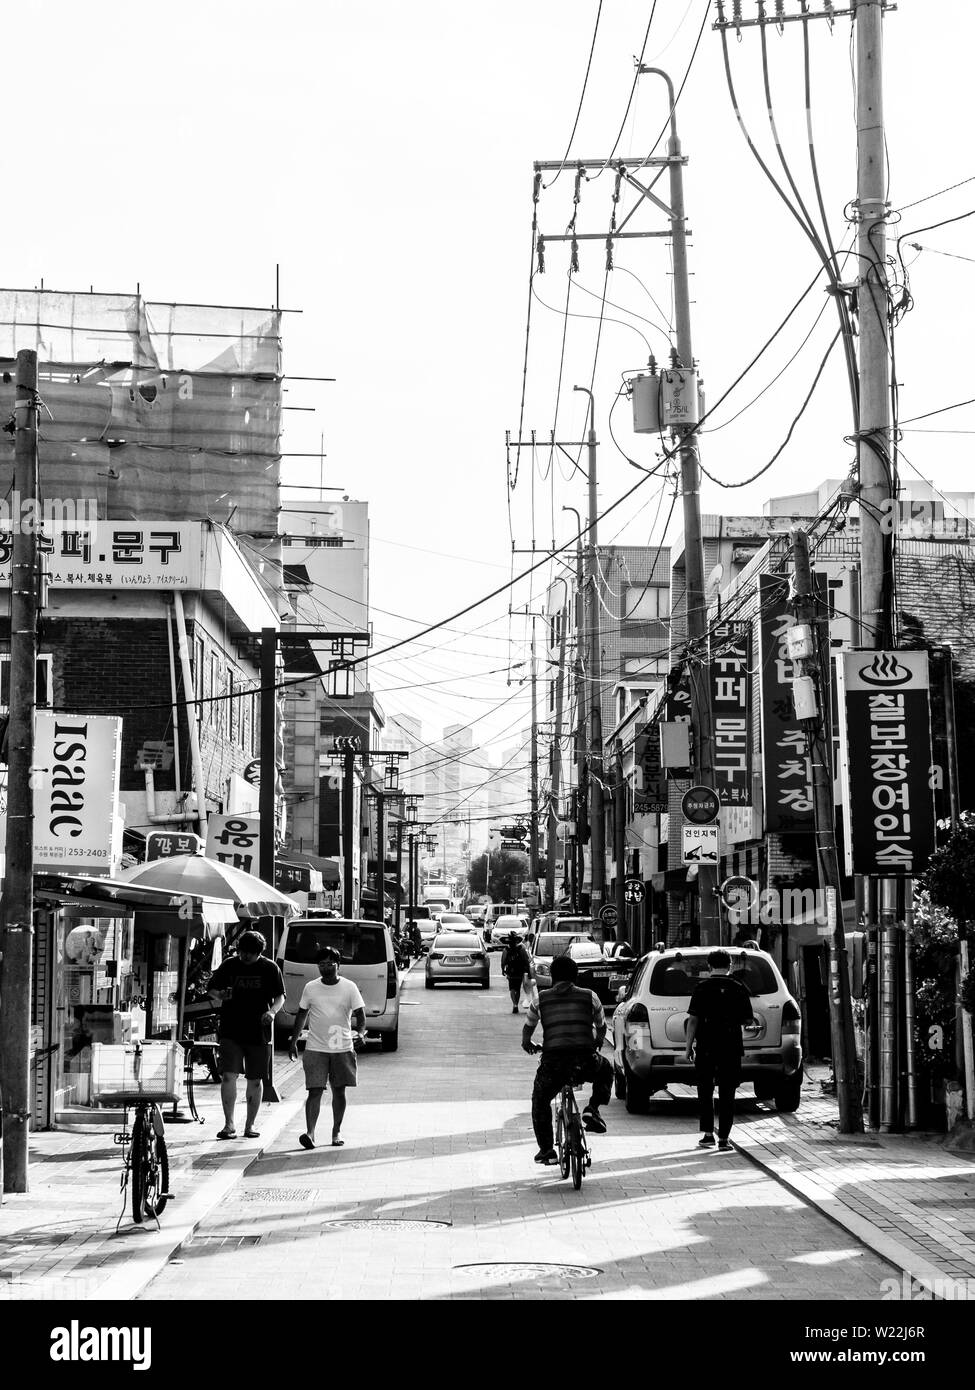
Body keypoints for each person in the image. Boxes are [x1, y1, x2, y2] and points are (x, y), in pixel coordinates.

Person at [522, 953, 613, 1165]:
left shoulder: (539, 1000)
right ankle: (593, 1109)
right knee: (607, 1069)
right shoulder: (590, 996)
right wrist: (597, 1042)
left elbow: (528, 1026)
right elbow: (601, 1026)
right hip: (585, 1059)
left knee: (540, 1100)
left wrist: (527, 1043)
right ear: (576, 976)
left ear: (553, 977)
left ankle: (547, 1150)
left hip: (553, 1063)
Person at [207, 929, 286, 1140]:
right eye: (242, 952)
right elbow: (211, 989)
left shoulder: (270, 968)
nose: (245, 957)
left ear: (259, 952)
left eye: (250, 953)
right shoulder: (230, 965)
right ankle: (229, 1124)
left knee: (255, 1079)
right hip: (231, 1028)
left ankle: (250, 1125)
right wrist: (220, 994)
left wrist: (272, 1012)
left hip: (258, 1031)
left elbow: (280, 997)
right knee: (228, 1076)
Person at [288, 946, 366, 1149]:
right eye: (321, 964)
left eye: (329, 964)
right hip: (315, 1047)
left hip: (342, 1047)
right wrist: (294, 1040)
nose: (325, 968)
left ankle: (336, 1131)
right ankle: (310, 1133)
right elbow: (302, 1014)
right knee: (314, 1090)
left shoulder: (349, 987)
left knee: (339, 1091)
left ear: (338, 965)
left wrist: (362, 1033)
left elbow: (360, 1014)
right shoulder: (310, 987)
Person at [683, 948, 754, 1152]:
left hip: (706, 1047)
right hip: (731, 1046)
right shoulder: (738, 987)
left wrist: (688, 1047)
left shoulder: (701, 987)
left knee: (705, 1090)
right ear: (730, 966)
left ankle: (707, 1135)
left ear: (709, 966)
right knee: (728, 1091)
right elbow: (748, 1019)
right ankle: (724, 1138)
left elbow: (693, 1019)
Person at [501, 932, 531, 1013]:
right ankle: (516, 1004)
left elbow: (503, 961)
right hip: (519, 971)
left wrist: (502, 969)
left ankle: (514, 1004)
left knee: (512, 988)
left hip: (510, 972)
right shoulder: (521, 949)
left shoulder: (506, 949)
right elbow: (526, 960)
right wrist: (528, 971)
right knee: (517, 988)